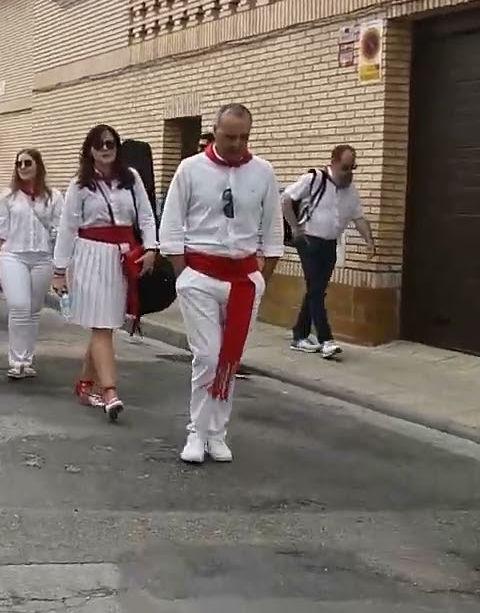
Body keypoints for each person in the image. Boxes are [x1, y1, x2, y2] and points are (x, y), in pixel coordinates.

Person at [158, 103, 284, 464]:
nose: (237, 144)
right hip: (199, 274)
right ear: (214, 131)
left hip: (243, 279)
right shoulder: (190, 169)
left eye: (244, 137)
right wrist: (183, 271)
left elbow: (273, 227)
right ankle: (197, 433)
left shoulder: (263, 173)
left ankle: (218, 433)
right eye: (230, 137)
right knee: (208, 356)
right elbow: (172, 222)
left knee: (230, 359)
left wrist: (264, 276)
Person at [52, 126, 158, 420]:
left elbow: (147, 215)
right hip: (90, 255)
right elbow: (67, 228)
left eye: (110, 143)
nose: (105, 149)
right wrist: (59, 271)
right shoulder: (80, 184)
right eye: (99, 145)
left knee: (106, 324)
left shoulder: (131, 178)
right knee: (101, 325)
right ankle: (109, 390)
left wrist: (151, 247)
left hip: (121, 257)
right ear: (90, 150)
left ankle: (86, 384)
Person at [282, 144, 374, 360]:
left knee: (316, 290)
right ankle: (326, 339)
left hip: (330, 244)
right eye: (345, 167)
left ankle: (299, 335)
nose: (349, 173)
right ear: (333, 162)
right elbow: (286, 199)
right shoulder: (314, 179)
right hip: (309, 241)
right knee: (316, 290)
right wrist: (295, 227)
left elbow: (358, 217)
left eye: (353, 168)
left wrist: (369, 240)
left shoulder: (350, 191)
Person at [0, 148, 62, 380]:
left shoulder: (54, 197)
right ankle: (16, 360)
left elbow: (61, 230)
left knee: (33, 310)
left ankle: (27, 359)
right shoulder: (7, 197)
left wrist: (63, 263)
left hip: (43, 257)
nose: (22, 167)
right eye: (18, 164)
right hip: (13, 255)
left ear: (38, 165)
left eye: (27, 163)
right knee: (19, 305)